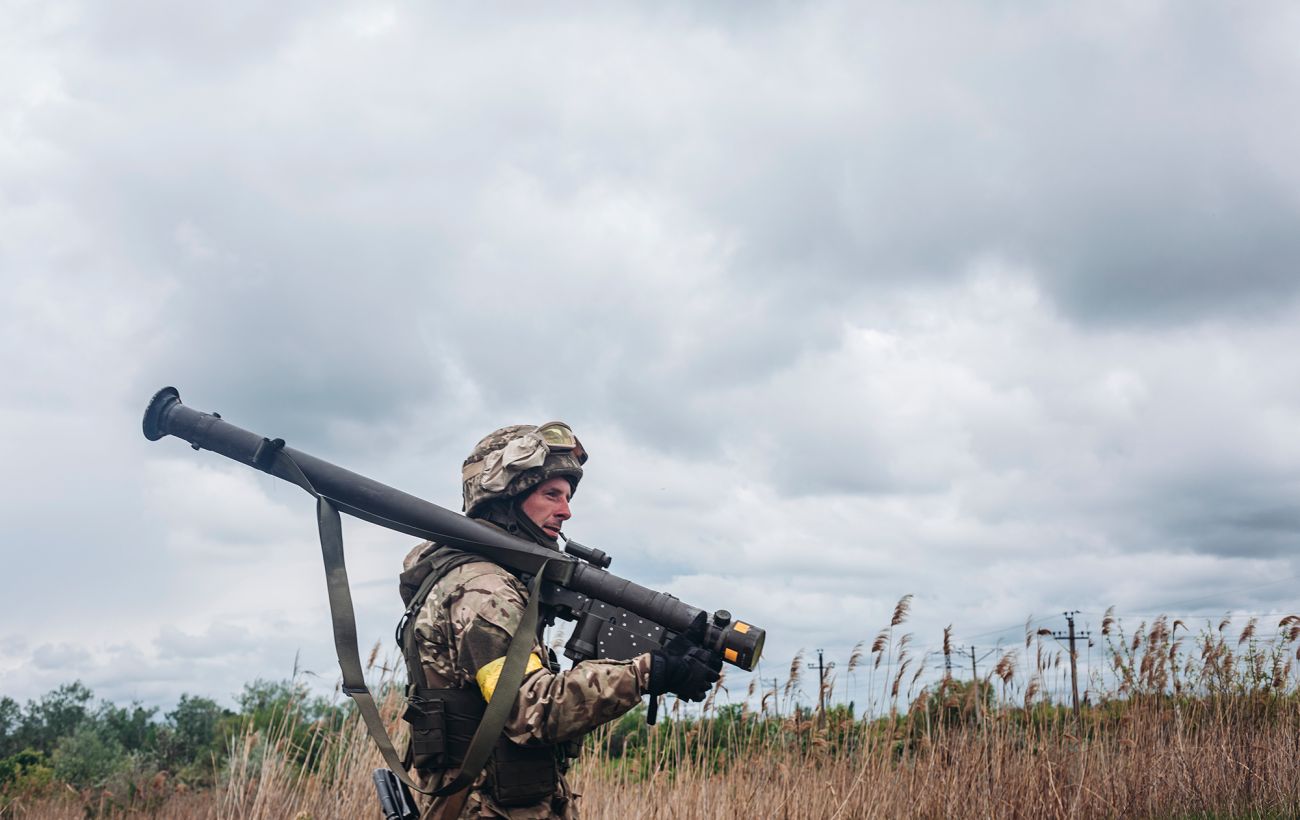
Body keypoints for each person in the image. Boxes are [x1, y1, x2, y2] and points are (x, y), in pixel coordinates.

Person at [397, 422, 722, 819]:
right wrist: (646, 673)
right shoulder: (483, 590)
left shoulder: (482, 580)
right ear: (504, 497)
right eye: (551, 494)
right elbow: (527, 709)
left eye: (567, 497)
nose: (566, 511)